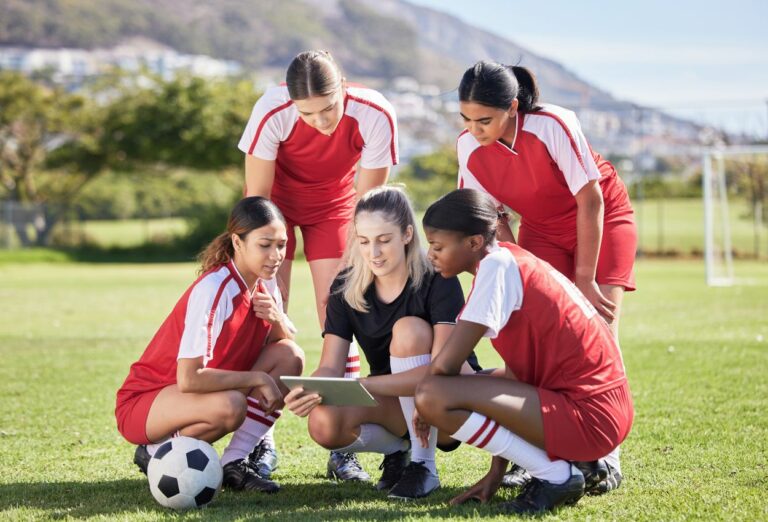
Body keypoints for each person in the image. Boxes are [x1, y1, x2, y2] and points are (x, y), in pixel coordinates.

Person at [455, 61, 636, 489]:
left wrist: (586, 281)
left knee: (601, 330)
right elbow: (488, 220)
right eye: (465, 119)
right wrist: (510, 271)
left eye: (485, 120)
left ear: (512, 108)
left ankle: (606, 457)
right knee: (537, 338)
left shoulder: (553, 123)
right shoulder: (468, 147)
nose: (474, 129)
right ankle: (536, 454)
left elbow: (591, 201)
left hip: (602, 220)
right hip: (542, 231)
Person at [413, 188, 634, 515]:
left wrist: (410, 399)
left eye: (437, 246)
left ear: (474, 243)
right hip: (600, 408)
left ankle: (557, 476)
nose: (430, 255)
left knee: (434, 394)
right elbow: (517, 379)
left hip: (591, 413)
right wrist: (496, 472)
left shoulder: (496, 268)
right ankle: (554, 470)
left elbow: (444, 366)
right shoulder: (508, 258)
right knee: (463, 385)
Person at [238, 49, 398, 479]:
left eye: (329, 108)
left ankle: (341, 446)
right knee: (267, 311)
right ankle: (258, 439)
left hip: (338, 210)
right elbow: (257, 201)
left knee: (339, 308)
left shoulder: (375, 112)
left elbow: (367, 207)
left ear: (343, 86)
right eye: (308, 114)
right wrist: (264, 261)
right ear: (291, 103)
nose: (323, 122)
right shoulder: (271, 111)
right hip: (276, 210)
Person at [283, 186, 481, 500]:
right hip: (393, 400)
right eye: (364, 241)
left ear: (405, 234)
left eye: (383, 240)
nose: (373, 253)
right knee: (323, 423)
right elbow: (332, 365)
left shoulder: (437, 278)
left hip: (445, 404)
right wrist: (311, 390)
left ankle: (423, 466)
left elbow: (442, 371)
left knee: (408, 330)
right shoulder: (346, 288)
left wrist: (366, 385)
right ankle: (399, 451)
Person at [115, 197, 304, 494]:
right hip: (148, 401)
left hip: (205, 391)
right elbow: (189, 379)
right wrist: (257, 378)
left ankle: (235, 463)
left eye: (281, 245)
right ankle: (155, 452)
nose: (276, 255)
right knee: (231, 405)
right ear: (237, 243)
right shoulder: (214, 289)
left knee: (291, 355)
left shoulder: (267, 283)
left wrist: (277, 318)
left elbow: (284, 350)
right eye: (264, 245)